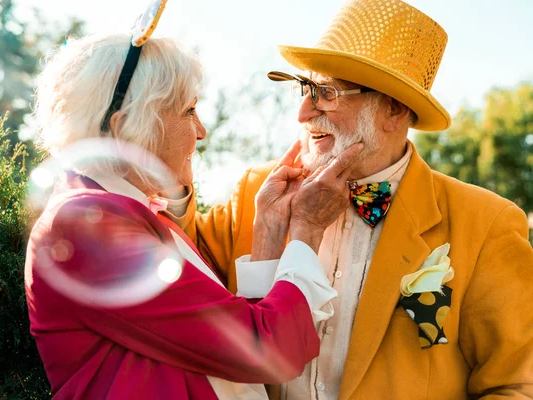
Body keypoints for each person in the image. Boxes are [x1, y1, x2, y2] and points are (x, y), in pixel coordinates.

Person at [163, 0, 533, 399]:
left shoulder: (486, 224)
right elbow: (173, 260)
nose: (304, 112)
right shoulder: (258, 189)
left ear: (393, 110)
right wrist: (170, 172)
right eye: (303, 90)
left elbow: (514, 384)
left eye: (326, 93)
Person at [25, 31, 361, 400]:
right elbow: (263, 350)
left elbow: (226, 342)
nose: (201, 132)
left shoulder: (120, 211)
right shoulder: (86, 224)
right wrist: (307, 230)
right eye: (188, 111)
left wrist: (268, 228)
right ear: (126, 129)